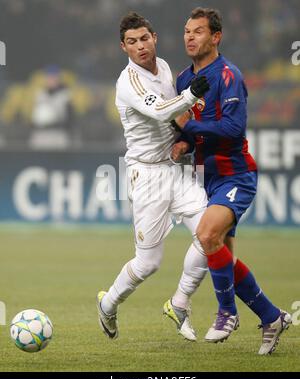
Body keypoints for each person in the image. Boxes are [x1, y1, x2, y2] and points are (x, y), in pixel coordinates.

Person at [171, 7, 292, 355]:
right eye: (186, 31)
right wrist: (184, 143)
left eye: (198, 31)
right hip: (208, 179)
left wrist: (187, 127)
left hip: (236, 174)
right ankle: (272, 318)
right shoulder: (182, 80)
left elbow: (233, 128)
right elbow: (191, 129)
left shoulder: (228, 75)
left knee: (207, 234)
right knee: (222, 258)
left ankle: (227, 313)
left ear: (216, 37)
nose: (190, 37)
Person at [96, 12, 210, 341]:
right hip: (146, 175)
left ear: (155, 38)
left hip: (175, 169)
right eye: (132, 42)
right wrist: (191, 95)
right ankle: (109, 304)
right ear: (124, 47)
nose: (140, 46)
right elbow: (162, 109)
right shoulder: (128, 82)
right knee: (148, 264)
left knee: (211, 234)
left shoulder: (163, 68)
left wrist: (184, 140)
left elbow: (173, 118)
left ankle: (179, 303)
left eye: (144, 38)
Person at [30, 65, 74, 150]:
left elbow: (70, 116)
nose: (52, 80)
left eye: (54, 77)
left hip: (58, 133)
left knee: (58, 160)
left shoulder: (65, 94)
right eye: (49, 77)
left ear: (58, 78)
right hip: (40, 132)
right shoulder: (40, 93)